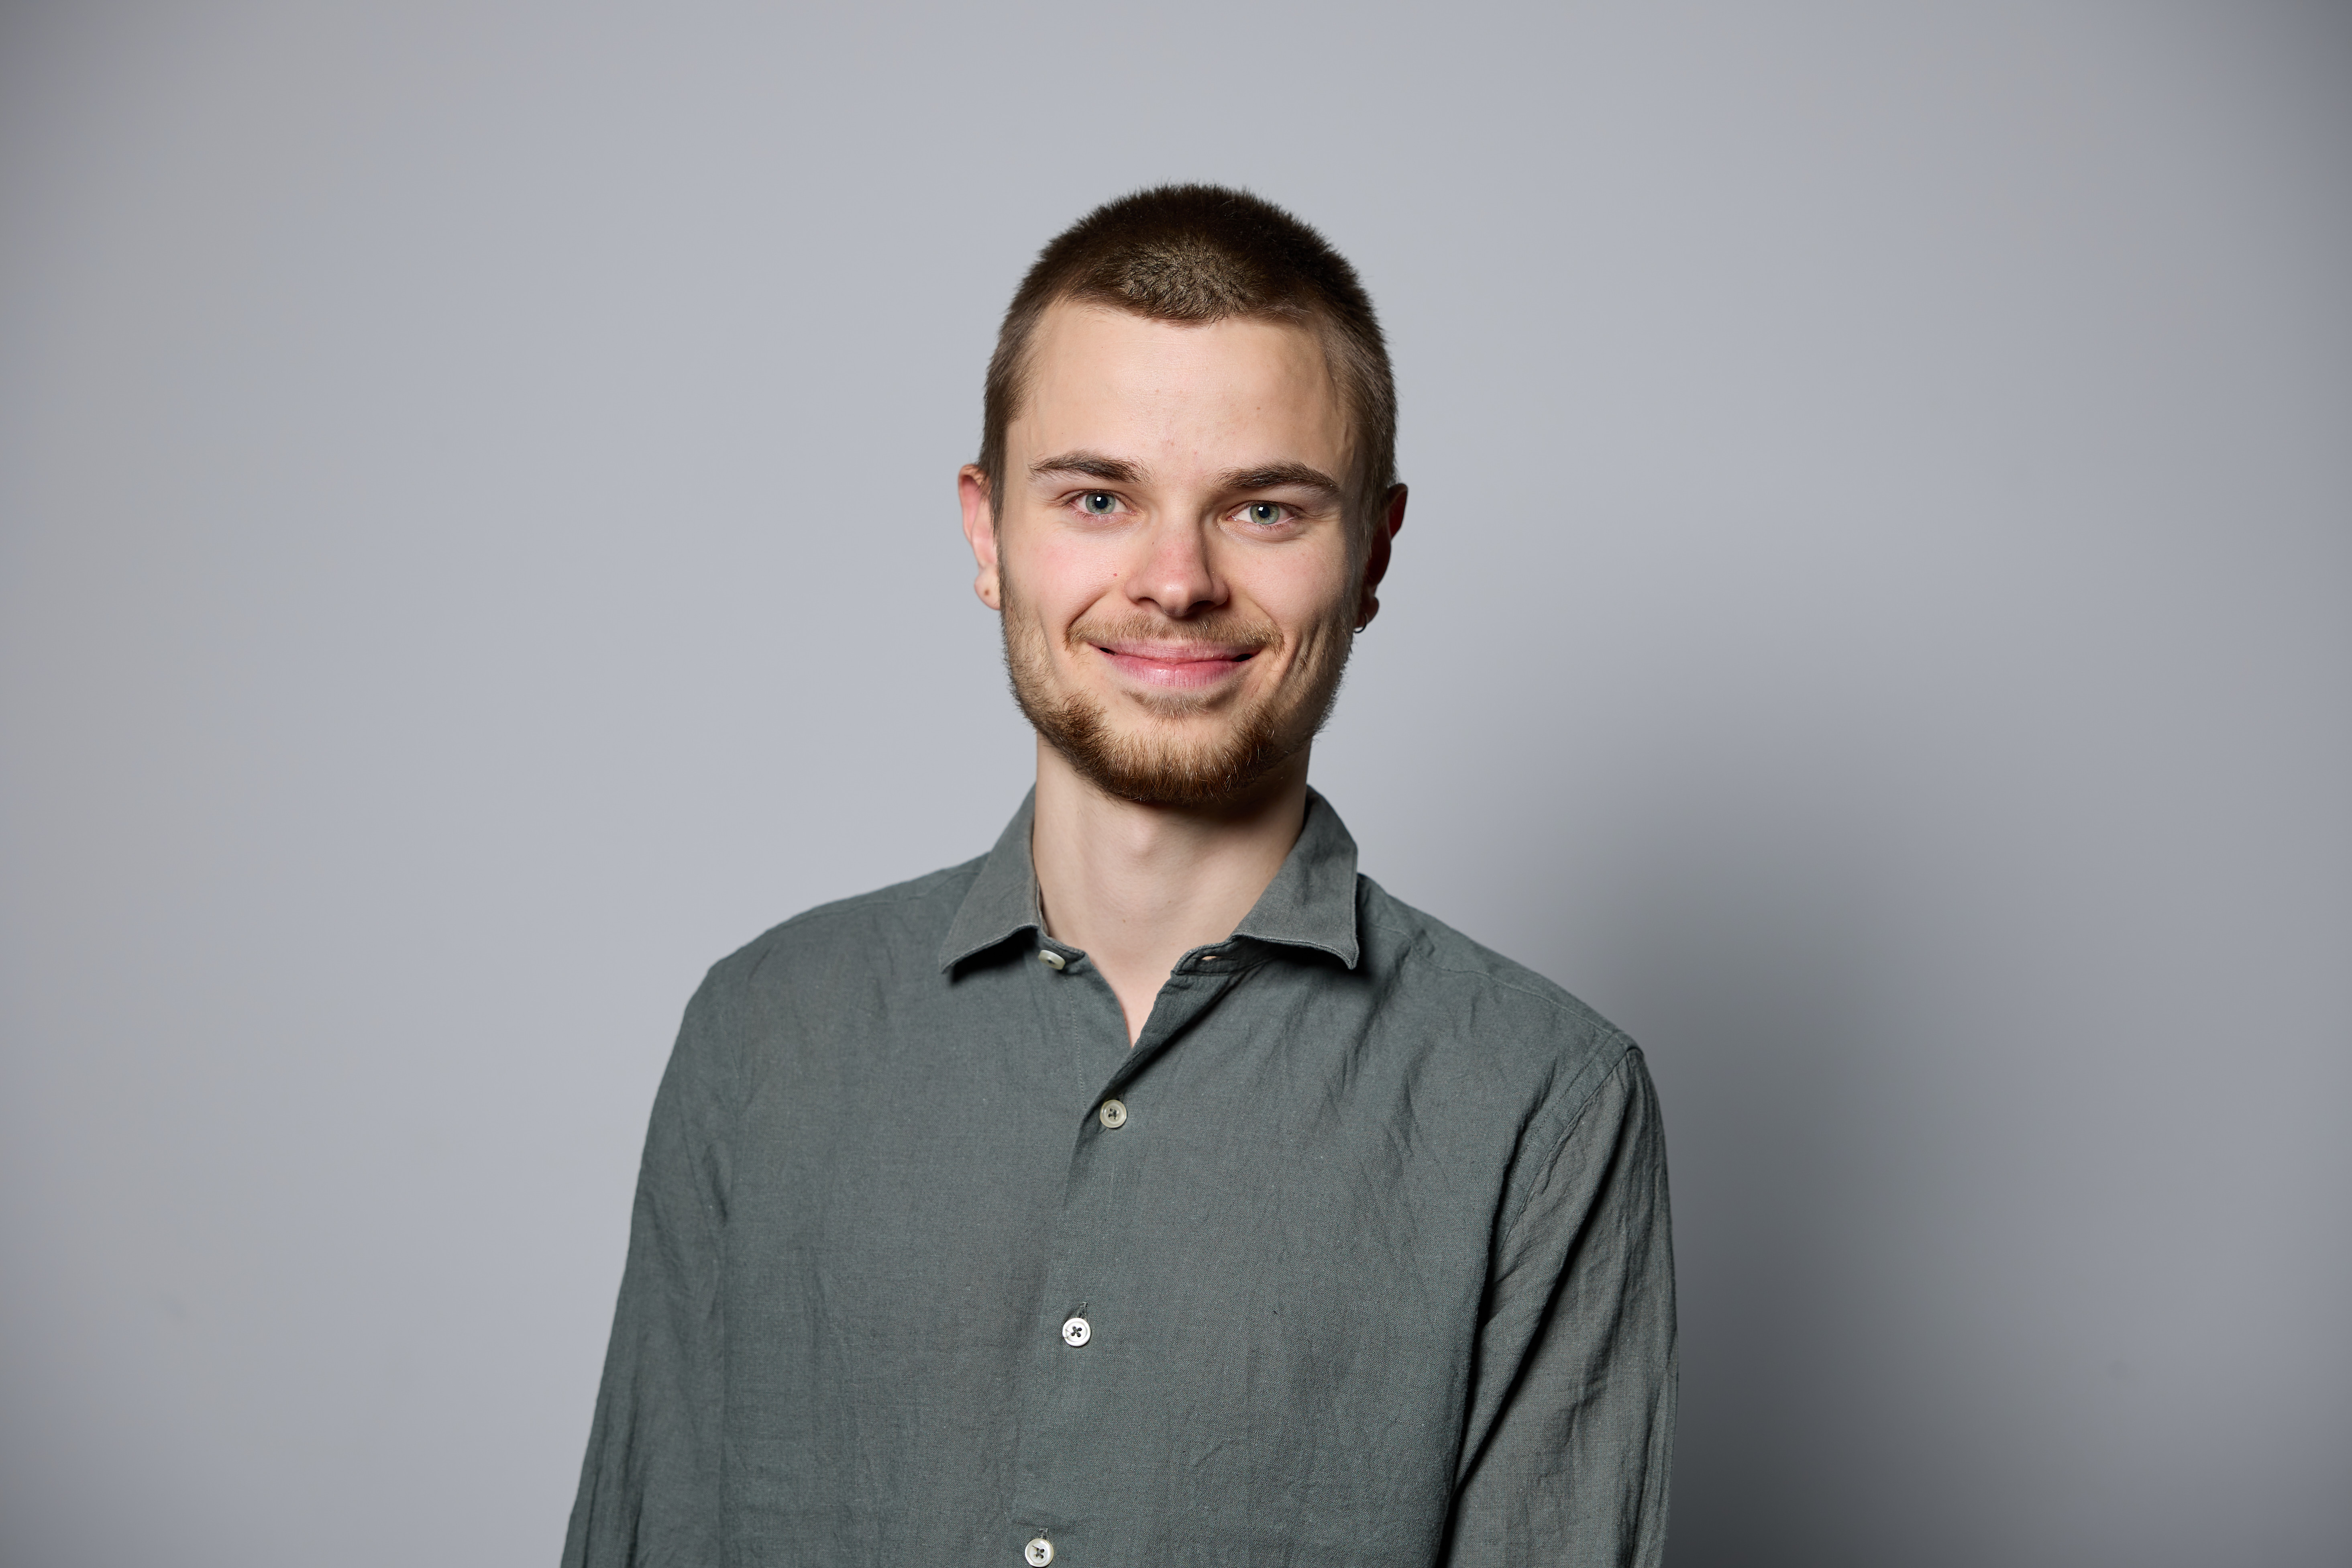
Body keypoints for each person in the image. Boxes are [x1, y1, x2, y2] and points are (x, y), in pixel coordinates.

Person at [563, 184, 1676, 1567]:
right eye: (1098, 497)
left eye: (1262, 508)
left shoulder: (1543, 1103)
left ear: (1372, 552)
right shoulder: (762, 1033)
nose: (1174, 580)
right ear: (987, 533)